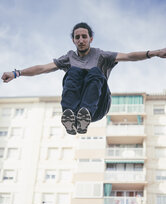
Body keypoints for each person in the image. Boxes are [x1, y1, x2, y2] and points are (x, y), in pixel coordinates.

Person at [1, 22, 166, 135]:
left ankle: (85, 114)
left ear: (90, 39)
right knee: (74, 72)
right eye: (77, 37)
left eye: (84, 37)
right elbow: (43, 68)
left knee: (94, 72)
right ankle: (70, 115)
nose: (81, 40)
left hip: (98, 106)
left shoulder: (101, 54)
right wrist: (17, 73)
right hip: (76, 106)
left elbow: (129, 56)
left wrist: (155, 52)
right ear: (73, 40)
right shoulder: (69, 57)